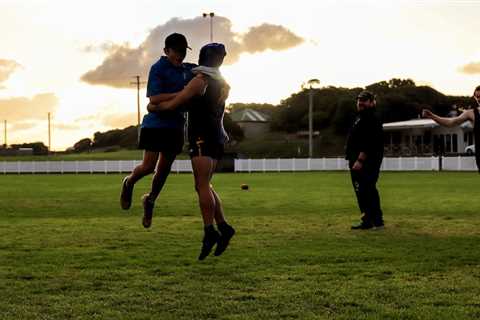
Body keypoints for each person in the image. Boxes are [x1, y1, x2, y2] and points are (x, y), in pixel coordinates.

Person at [148, 43, 235, 260]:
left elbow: (174, 104)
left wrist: (153, 107)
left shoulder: (200, 80)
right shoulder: (221, 81)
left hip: (202, 137)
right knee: (204, 184)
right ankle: (223, 227)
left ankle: (209, 231)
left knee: (202, 185)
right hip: (216, 138)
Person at [120, 33, 195, 229]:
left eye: (183, 51)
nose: (180, 55)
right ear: (166, 51)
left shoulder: (189, 69)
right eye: (176, 51)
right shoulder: (158, 68)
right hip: (155, 125)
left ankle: (150, 200)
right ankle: (128, 182)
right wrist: (182, 94)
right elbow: (154, 99)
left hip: (176, 126)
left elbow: (211, 73)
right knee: (148, 167)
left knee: (163, 170)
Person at [345, 90, 385, 230]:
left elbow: (370, 142)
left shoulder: (371, 118)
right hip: (357, 160)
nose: (360, 102)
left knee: (367, 190)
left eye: (364, 100)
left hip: (366, 162)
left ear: (372, 102)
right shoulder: (360, 117)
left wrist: (360, 160)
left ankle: (377, 221)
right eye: (359, 100)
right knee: (362, 191)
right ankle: (367, 220)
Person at [423, 85, 480, 171]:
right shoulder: (471, 113)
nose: (479, 98)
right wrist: (432, 116)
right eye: (477, 96)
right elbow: (450, 123)